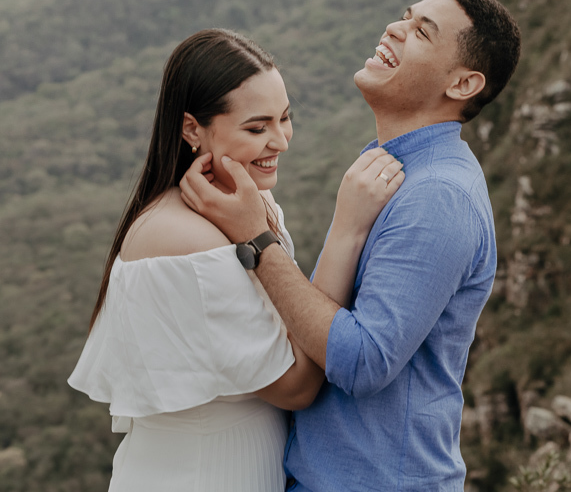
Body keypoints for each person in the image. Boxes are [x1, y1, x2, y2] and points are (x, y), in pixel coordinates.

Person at [180, 0, 520, 491]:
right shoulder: (389, 165)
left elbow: (362, 362)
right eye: (405, 17)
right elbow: (320, 319)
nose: (395, 29)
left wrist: (256, 238)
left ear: (463, 82)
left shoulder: (438, 196)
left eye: (422, 31)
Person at [68, 28, 404, 492]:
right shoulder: (185, 241)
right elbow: (299, 386)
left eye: (285, 118)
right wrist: (346, 230)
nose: (281, 140)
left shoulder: (243, 207)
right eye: (256, 127)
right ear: (192, 129)